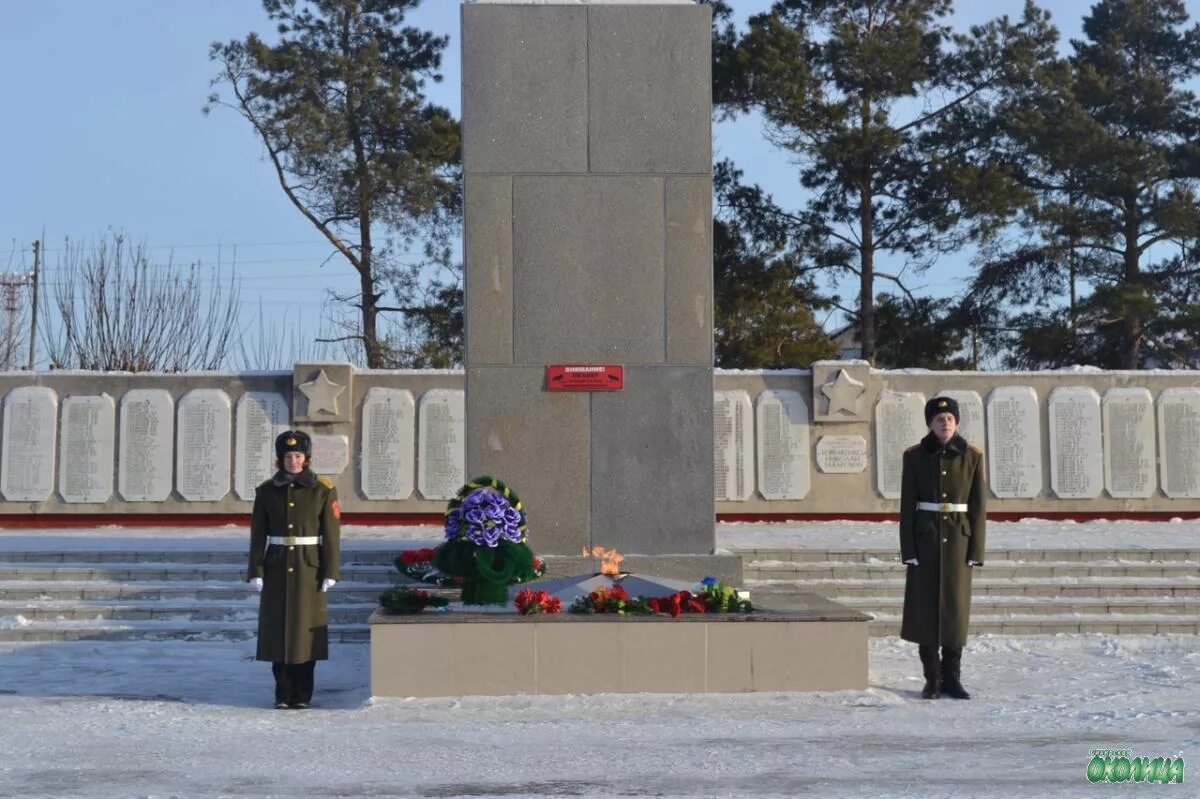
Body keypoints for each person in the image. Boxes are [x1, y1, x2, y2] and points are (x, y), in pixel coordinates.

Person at [899, 396, 986, 700]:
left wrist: (977, 550)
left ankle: (953, 677)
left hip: (959, 541)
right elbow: (907, 505)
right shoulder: (914, 456)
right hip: (925, 539)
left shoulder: (972, 457)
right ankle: (932, 678)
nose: (944, 423)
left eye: (949, 418)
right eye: (938, 418)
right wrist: (907, 549)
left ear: (957, 422)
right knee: (925, 610)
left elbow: (977, 507)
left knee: (955, 609)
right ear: (929, 423)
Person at [247, 430, 341, 709]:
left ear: (307, 458)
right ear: (280, 459)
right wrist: (256, 569)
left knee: (304, 634)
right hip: (276, 566)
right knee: (278, 633)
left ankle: (302, 694)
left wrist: (331, 571)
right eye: (288, 456)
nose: (293, 461)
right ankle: (282, 693)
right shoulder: (266, 491)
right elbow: (258, 534)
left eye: (298, 455)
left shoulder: (323, 490)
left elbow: (331, 534)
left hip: (308, 566)